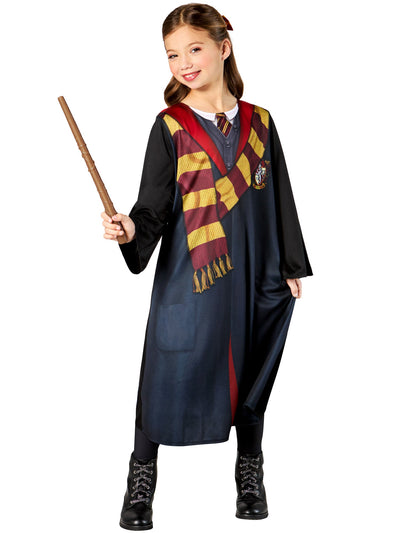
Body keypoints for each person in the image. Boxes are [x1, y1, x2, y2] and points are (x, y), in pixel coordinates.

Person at [101, 3, 313, 530]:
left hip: (255, 272)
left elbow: (280, 196)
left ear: (224, 47)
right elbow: (152, 209)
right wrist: (130, 230)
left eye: (194, 49)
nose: (184, 64)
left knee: (252, 368)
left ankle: (250, 471)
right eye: (173, 55)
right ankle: (141, 479)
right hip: (190, 276)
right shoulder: (170, 126)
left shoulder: (261, 123)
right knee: (165, 369)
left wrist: (290, 263)